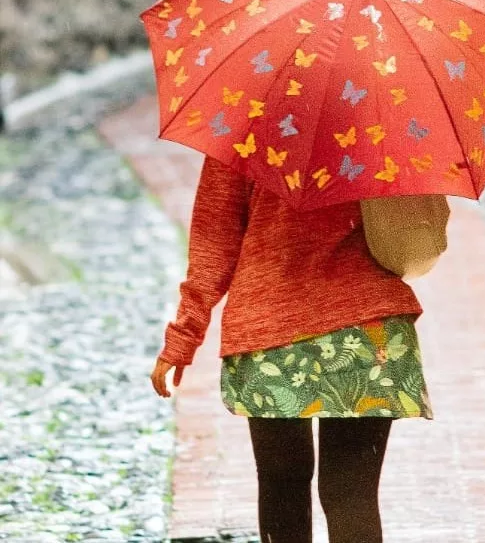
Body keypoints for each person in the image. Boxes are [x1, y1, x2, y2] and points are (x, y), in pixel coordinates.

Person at [150, 156, 447, 543]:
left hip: (271, 336)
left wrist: (183, 337)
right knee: (351, 495)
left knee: (282, 487)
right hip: (366, 333)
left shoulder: (244, 129)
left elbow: (214, 243)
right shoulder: (380, 120)